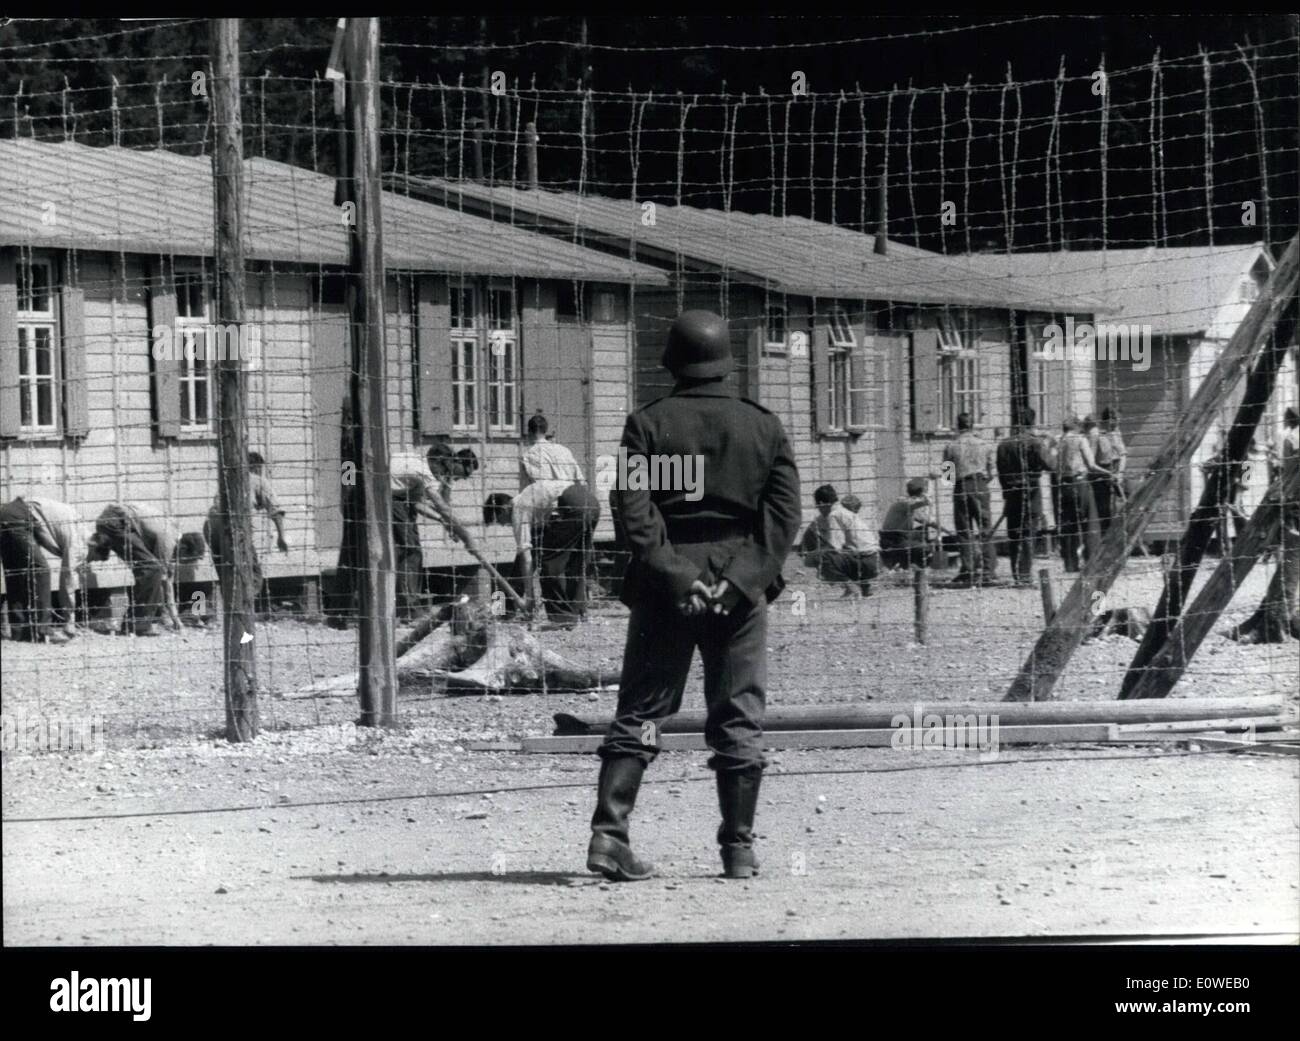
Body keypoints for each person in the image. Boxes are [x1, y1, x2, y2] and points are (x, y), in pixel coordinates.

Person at [589, 309, 801, 883]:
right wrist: (738, 581)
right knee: (737, 714)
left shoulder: (648, 425)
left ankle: (610, 837)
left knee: (643, 713)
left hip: (667, 586)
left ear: (672, 364)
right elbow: (782, 520)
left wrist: (678, 576)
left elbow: (634, 513)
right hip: (739, 584)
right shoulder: (763, 427)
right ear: (727, 362)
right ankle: (738, 849)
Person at [84, 503, 203, 635]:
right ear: (183, 548)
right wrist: (176, 620)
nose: (180, 563)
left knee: (145, 571)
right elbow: (166, 584)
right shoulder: (168, 542)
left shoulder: (170, 534)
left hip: (113, 521)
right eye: (185, 560)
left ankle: (137, 621)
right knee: (152, 570)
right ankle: (138, 625)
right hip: (115, 522)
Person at [509, 479, 601, 626]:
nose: (506, 526)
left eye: (500, 522)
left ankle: (562, 618)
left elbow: (526, 557)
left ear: (503, 510)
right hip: (591, 501)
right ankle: (578, 611)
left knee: (549, 565)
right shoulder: (537, 504)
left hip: (573, 506)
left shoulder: (519, 509)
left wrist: (530, 597)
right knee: (576, 562)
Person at [204, 451, 290, 606]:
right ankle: (244, 608)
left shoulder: (228, 478)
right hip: (234, 526)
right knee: (253, 572)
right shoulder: (257, 480)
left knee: (226, 570)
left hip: (211, 526)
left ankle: (231, 609)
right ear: (256, 467)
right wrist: (281, 537)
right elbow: (275, 510)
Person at [0, 498, 72, 643]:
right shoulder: (63, 522)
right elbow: (42, 534)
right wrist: (60, 552)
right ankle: (44, 630)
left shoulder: (52, 509)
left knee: (15, 574)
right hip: (17, 518)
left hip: (5, 514)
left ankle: (20, 632)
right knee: (42, 570)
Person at [996, 409, 1054, 586]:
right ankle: (1025, 574)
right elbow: (1050, 465)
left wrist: (1006, 490)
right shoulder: (1035, 443)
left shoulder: (1004, 444)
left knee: (1014, 534)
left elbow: (1000, 471)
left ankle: (1016, 573)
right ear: (1032, 422)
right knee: (1029, 533)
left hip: (1011, 490)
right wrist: (1051, 446)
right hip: (1031, 489)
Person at [942, 412, 996, 586]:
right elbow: (991, 473)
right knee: (985, 528)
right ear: (973, 426)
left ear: (958, 426)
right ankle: (988, 570)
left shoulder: (951, 446)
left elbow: (947, 477)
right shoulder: (985, 444)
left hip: (961, 486)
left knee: (964, 531)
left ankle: (968, 570)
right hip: (980, 485)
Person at [803, 484, 880, 597]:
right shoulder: (842, 511)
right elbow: (813, 527)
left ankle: (852, 587)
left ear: (821, 504)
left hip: (865, 562)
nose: (818, 510)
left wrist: (811, 556)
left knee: (821, 557)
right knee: (843, 549)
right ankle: (864, 587)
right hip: (874, 560)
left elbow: (835, 546)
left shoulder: (833, 515)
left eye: (818, 507)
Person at [1056, 415, 1109, 572]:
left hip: (1064, 484)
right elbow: (1091, 464)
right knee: (1090, 522)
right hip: (1080, 482)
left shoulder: (1060, 441)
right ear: (1077, 427)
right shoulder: (1080, 439)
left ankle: (1070, 563)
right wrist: (1108, 473)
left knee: (1069, 525)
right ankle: (1092, 561)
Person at [879, 478, 937, 569]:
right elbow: (922, 503)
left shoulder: (910, 507)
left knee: (922, 532)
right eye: (923, 491)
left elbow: (927, 521)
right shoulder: (903, 503)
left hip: (900, 537)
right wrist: (927, 497)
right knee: (926, 548)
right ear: (920, 492)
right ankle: (914, 568)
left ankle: (907, 564)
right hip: (892, 540)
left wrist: (946, 531)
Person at [520, 412, 584, 489]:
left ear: (529, 432)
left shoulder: (528, 456)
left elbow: (532, 488)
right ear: (545, 431)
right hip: (569, 496)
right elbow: (580, 481)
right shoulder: (564, 450)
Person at [1092, 409, 1128, 533]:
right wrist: (1106, 473)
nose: (1117, 425)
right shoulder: (1097, 434)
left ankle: (1121, 533)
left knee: (1123, 504)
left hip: (1117, 471)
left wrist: (1120, 473)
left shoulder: (1116, 433)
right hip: (1102, 473)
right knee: (1104, 509)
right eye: (1115, 422)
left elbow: (1123, 454)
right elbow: (1092, 460)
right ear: (1108, 420)